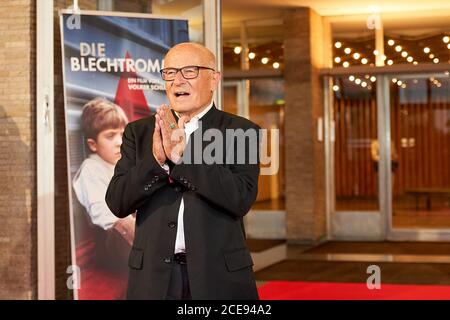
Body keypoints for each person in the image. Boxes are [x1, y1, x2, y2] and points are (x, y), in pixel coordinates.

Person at [105, 43, 261, 300]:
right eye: (170, 72)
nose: (178, 80)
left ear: (214, 79)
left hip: (218, 277)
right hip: (153, 280)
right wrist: (156, 161)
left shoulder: (240, 131)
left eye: (190, 71)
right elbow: (118, 201)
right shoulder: (139, 132)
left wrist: (185, 157)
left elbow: (239, 198)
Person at [73, 97, 135, 271]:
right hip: (111, 246)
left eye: (123, 134)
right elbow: (107, 215)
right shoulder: (91, 170)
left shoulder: (120, 164)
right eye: (110, 136)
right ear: (93, 145)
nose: (120, 142)